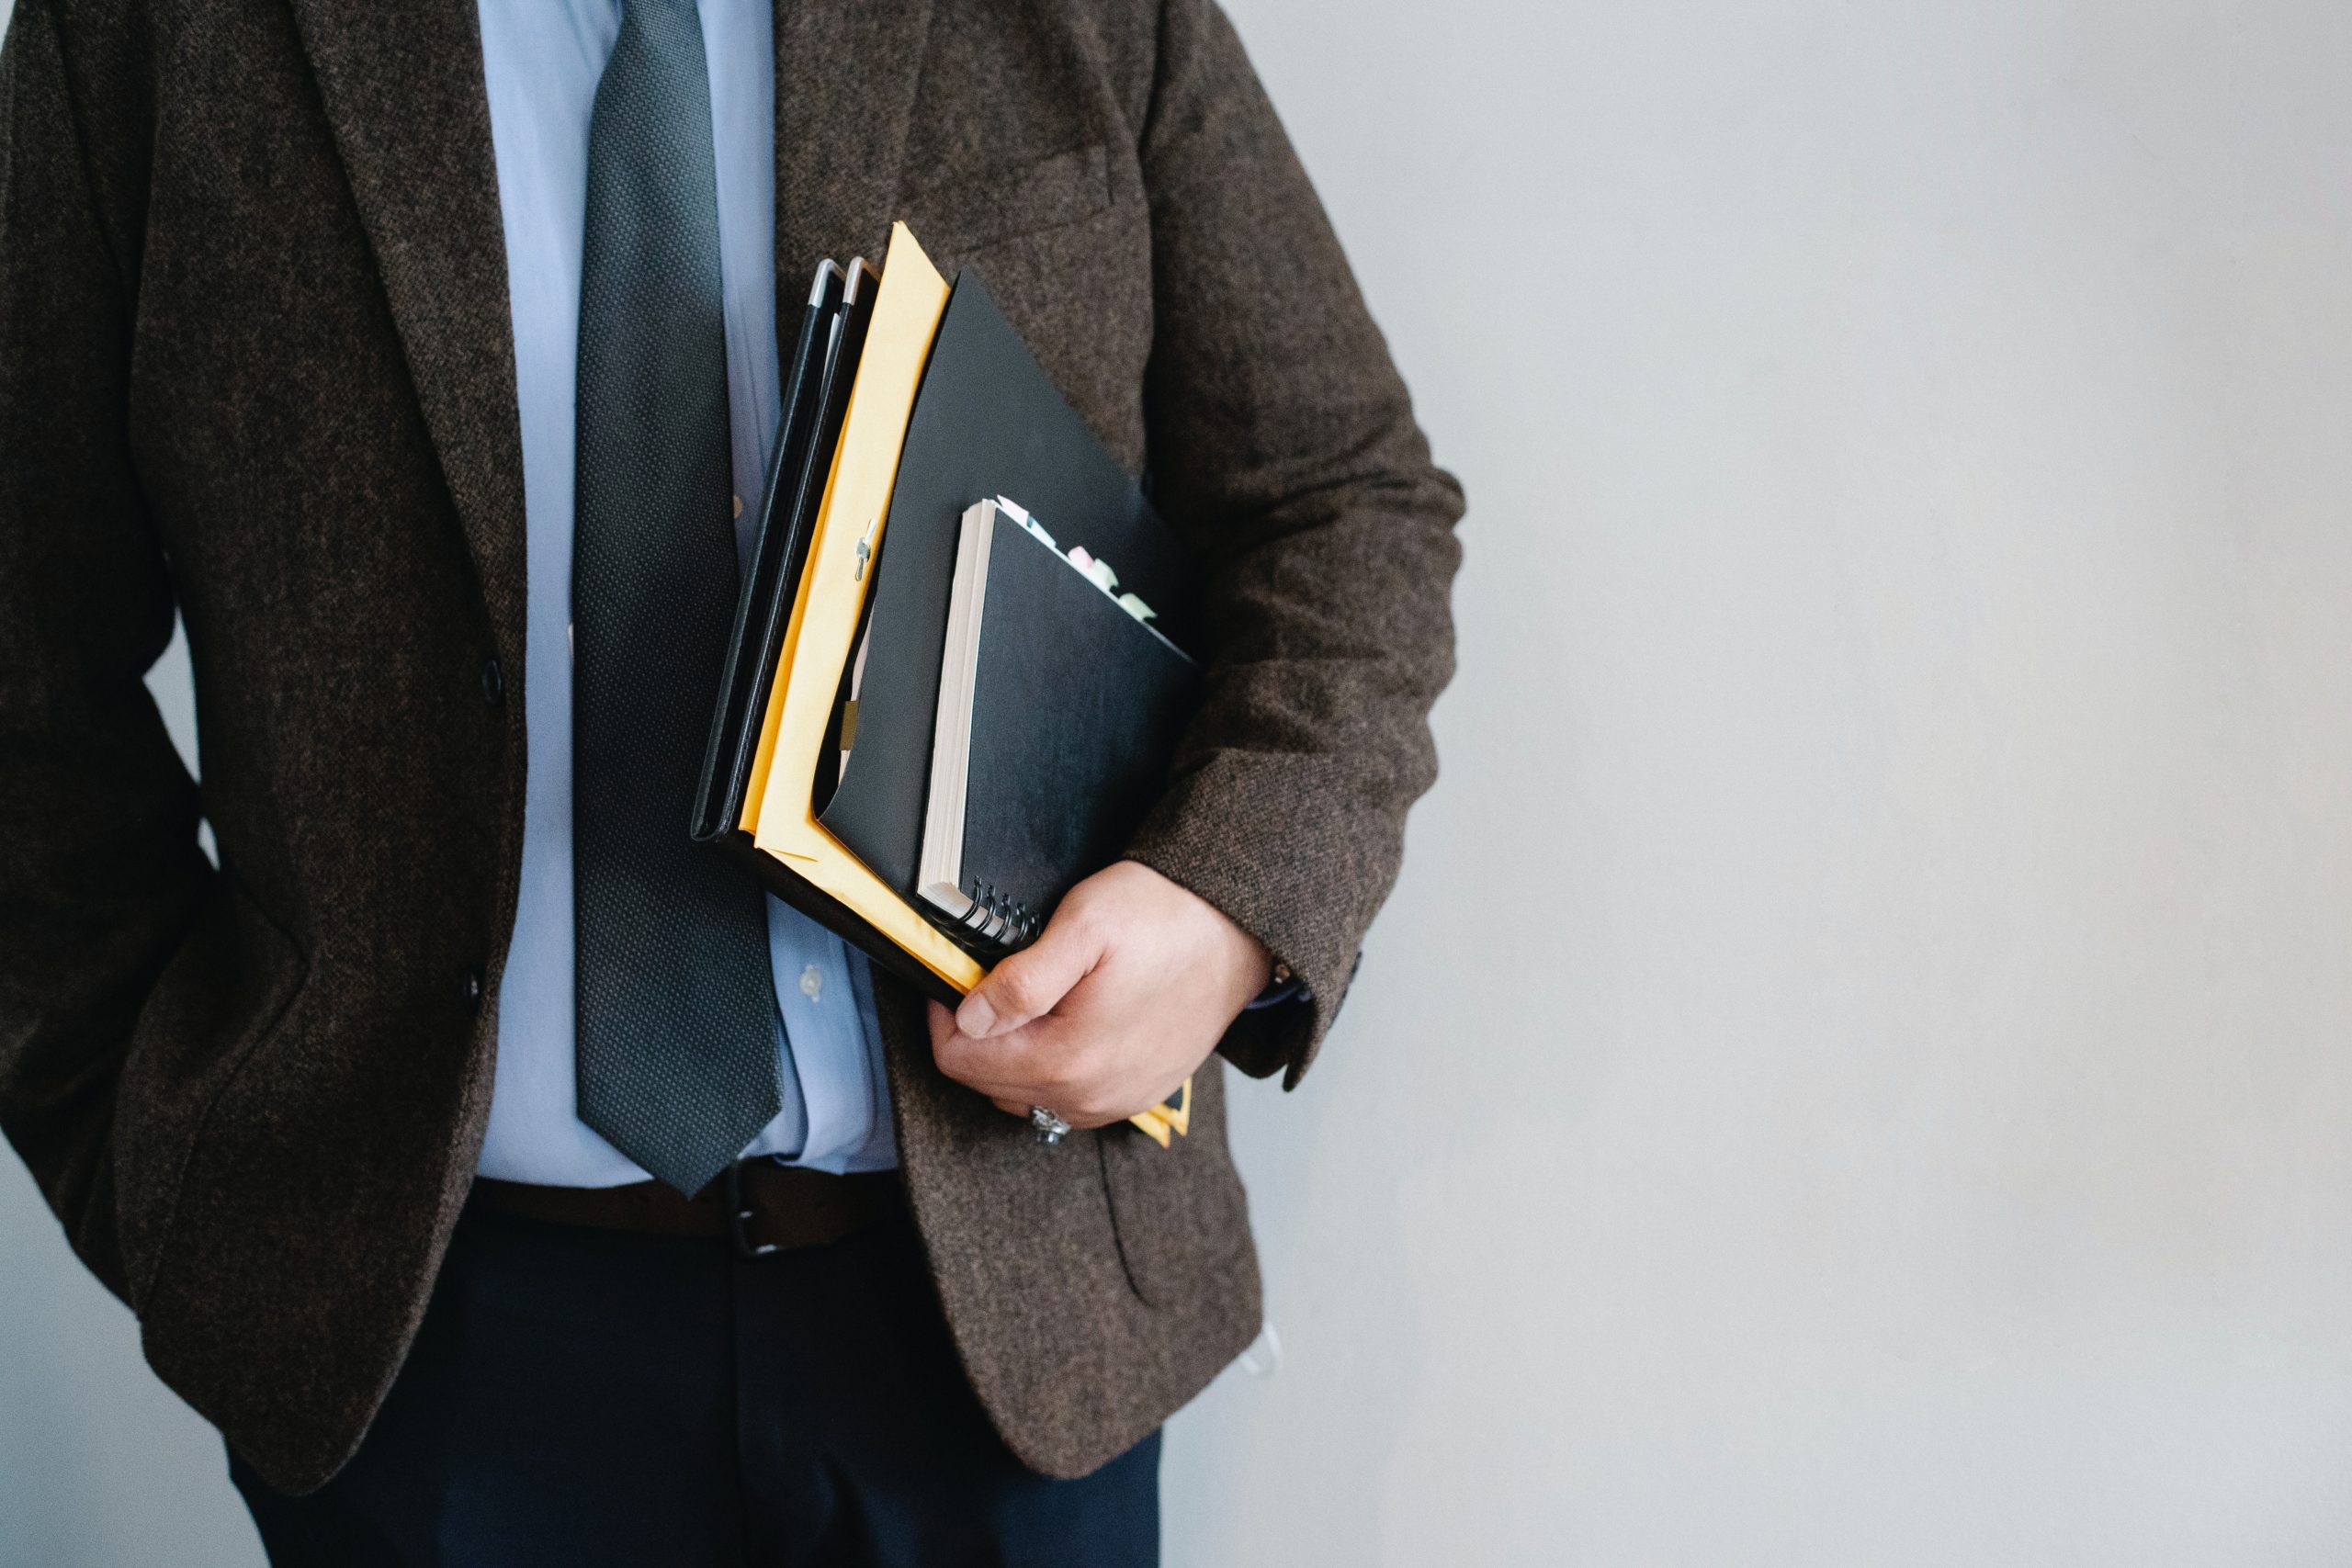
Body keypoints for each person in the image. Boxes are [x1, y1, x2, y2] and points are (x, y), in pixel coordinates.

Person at [0, 0, 1462, 1561]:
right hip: (426, 1354)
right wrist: (168, 1176)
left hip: (1008, 1314)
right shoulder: (145, 32)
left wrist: (1233, 903)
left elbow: (1340, 501)